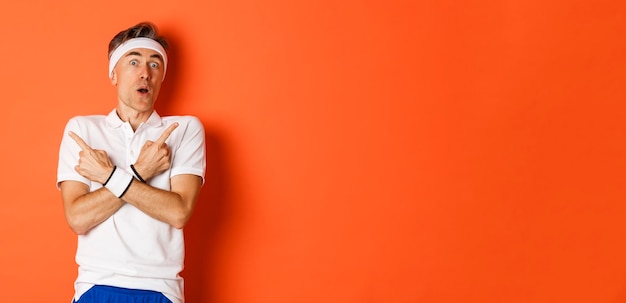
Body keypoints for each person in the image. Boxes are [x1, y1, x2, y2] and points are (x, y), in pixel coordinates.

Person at [56, 22, 206, 303]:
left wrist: (109, 175)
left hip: (161, 289)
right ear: (114, 73)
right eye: (133, 61)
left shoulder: (184, 130)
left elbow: (178, 213)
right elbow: (78, 219)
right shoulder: (83, 130)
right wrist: (141, 172)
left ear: (162, 76)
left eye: (155, 64)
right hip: (95, 285)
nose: (145, 73)